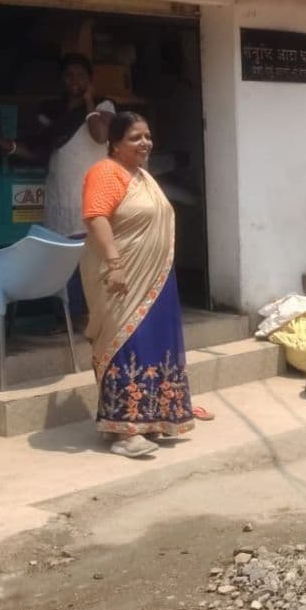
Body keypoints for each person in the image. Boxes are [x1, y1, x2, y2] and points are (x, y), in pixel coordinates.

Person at [80, 112, 196, 458]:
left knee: (154, 345)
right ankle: (123, 432)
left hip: (155, 280)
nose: (144, 143)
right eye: (134, 137)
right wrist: (115, 264)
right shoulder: (105, 172)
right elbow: (96, 216)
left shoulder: (143, 177)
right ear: (114, 143)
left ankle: (152, 420)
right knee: (126, 345)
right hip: (122, 280)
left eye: (147, 136)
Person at [0, 53, 116, 238]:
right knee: (62, 260)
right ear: (62, 80)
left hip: (91, 203)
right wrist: (4, 143)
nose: (75, 81)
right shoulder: (52, 110)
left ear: (90, 79)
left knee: (89, 262)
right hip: (60, 201)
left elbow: (100, 136)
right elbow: (39, 151)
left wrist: (89, 99)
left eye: (81, 76)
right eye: (69, 75)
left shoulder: (103, 105)